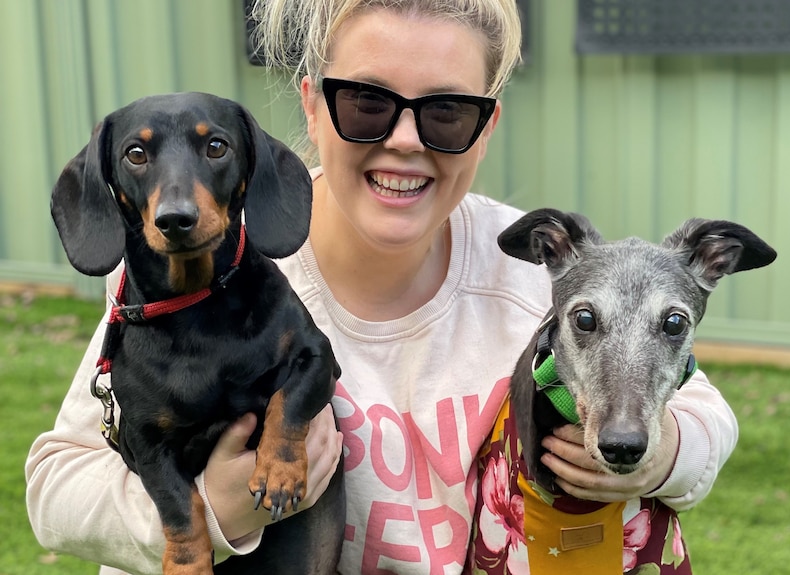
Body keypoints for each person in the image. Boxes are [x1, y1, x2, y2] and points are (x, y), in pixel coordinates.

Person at [25, 0, 738, 573]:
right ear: (310, 105)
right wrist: (212, 509)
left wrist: (661, 448)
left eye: (447, 113)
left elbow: (705, 412)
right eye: (366, 104)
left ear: (486, 128)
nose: (405, 139)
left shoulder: (537, 271)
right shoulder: (202, 272)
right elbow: (55, 486)